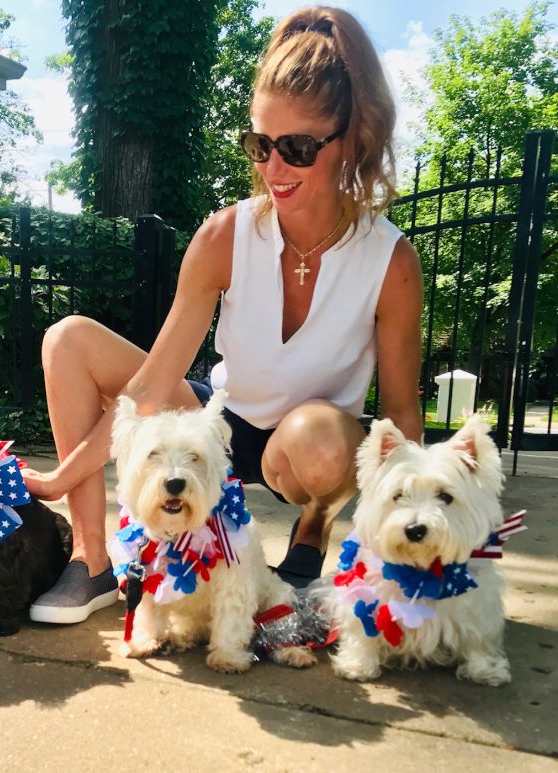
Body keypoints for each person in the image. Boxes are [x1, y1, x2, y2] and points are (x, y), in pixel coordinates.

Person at [24, 5, 423, 624]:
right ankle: (92, 559)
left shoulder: (390, 261)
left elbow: (400, 416)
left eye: (297, 148)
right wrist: (59, 478)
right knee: (67, 339)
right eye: (260, 144)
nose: (272, 169)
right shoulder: (223, 236)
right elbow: (152, 388)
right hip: (221, 419)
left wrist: (414, 533)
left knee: (316, 440)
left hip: (313, 445)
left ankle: (313, 526)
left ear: (353, 138)